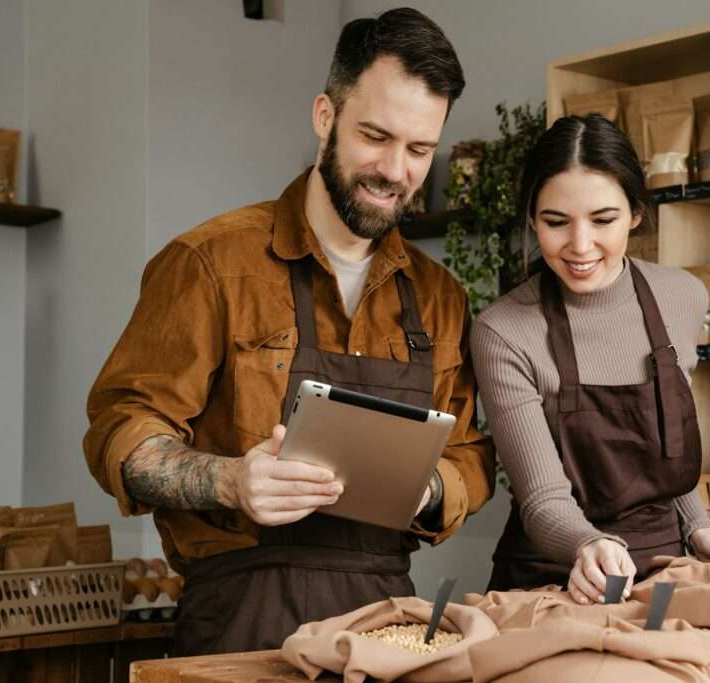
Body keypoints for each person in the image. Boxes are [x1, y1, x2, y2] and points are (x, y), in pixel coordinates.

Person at [83, 8, 494, 654]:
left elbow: (472, 451)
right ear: (325, 117)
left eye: (419, 149)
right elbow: (121, 432)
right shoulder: (209, 264)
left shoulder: (440, 300)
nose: (395, 170)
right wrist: (229, 479)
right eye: (375, 136)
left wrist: (431, 485)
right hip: (239, 624)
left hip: (386, 630)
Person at [471, 113, 710, 605]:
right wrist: (587, 544)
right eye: (555, 222)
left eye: (603, 220)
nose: (581, 245)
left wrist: (701, 530)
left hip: (664, 568)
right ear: (531, 219)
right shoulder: (503, 330)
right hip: (552, 577)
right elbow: (542, 499)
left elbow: (663, 457)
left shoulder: (682, 297)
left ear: (635, 213)